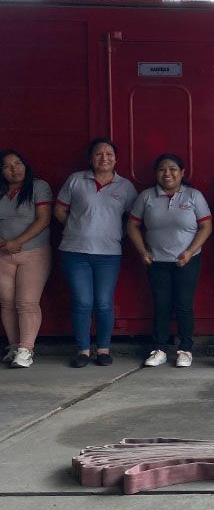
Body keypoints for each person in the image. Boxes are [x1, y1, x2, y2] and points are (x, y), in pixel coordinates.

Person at [54, 138, 138, 368]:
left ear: (116, 158)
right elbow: (60, 209)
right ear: (91, 158)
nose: (104, 158)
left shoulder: (125, 186)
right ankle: (82, 350)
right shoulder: (76, 180)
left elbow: (135, 218)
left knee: (103, 303)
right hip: (75, 251)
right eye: (99, 154)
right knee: (82, 302)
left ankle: (103, 349)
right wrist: (77, 228)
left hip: (109, 254)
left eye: (109, 154)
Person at [126, 154, 213, 368]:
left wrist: (190, 252)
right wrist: (142, 251)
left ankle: (185, 349)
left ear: (182, 173)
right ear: (156, 174)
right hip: (156, 261)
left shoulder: (193, 196)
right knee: (161, 305)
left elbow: (206, 226)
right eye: (162, 169)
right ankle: (160, 348)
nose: (167, 174)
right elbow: (132, 225)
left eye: (173, 169)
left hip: (187, 260)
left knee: (183, 304)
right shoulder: (146, 197)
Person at [0, 150, 52, 369]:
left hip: (34, 251)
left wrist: (17, 241)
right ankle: (13, 346)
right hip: (2, 253)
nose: (14, 169)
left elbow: (43, 219)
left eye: (18, 163)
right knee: (7, 303)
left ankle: (26, 349)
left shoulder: (39, 186)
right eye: (8, 166)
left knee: (27, 303)